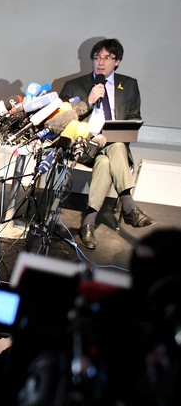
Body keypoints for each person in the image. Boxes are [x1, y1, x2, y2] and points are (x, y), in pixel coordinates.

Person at [59, 38, 155, 250]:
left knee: (107, 159)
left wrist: (109, 136)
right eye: (97, 57)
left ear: (117, 61)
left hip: (111, 147)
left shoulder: (129, 85)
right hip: (83, 145)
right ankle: (129, 206)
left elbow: (133, 119)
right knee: (114, 150)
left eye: (107, 58)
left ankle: (88, 223)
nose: (101, 62)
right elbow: (62, 121)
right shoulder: (74, 86)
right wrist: (90, 100)